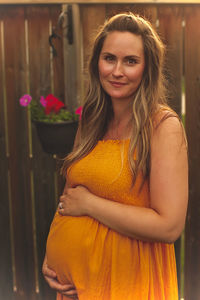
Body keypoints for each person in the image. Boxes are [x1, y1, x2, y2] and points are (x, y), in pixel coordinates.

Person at [42, 13, 188, 300]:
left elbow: (169, 226)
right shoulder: (92, 119)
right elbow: (70, 197)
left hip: (128, 283)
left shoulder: (162, 126)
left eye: (130, 61)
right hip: (76, 289)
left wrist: (90, 204)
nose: (117, 71)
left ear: (147, 69)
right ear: (97, 62)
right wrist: (53, 258)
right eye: (109, 58)